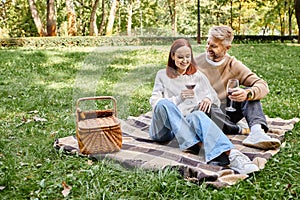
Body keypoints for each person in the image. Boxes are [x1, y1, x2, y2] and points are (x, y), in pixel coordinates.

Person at [149, 38, 259, 174]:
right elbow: (155, 102)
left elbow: (213, 97)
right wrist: (178, 98)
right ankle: (196, 144)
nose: (184, 60)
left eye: (188, 57)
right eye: (180, 57)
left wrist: (207, 98)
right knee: (164, 103)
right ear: (172, 56)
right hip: (162, 130)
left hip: (181, 130)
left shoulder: (196, 76)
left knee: (198, 115)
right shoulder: (162, 75)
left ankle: (233, 154)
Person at [195, 25, 281, 150]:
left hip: (229, 112)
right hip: (207, 113)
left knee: (248, 93)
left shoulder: (233, 65)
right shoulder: (195, 63)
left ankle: (257, 133)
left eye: (214, 46)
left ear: (227, 48)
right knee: (202, 109)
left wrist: (248, 94)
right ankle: (239, 129)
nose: (208, 48)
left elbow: (262, 85)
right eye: (208, 43)